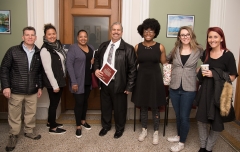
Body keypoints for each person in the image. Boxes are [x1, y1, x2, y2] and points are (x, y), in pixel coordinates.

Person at [195, 27, 238, 152]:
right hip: (205, 91)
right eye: (210, 37)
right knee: (201, 120)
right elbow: (204, 68)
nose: (212, 39)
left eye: (215, 37)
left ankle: (209, 148)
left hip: (220, 93)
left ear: (221, 38)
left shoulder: (228, 55)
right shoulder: (206, 54)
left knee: (217, 123)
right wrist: (200, 70)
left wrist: (214, 74)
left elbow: (233, 77)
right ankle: (203, 147)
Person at [0, 26, 42, 151]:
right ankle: (13, 135)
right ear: (22, 37)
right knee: (14, 115)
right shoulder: (13, 51)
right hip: (16, 89)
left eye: (32, 35)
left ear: (35, 37)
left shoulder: (38, 52)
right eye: (27, 35)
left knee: (31, 113)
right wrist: (6, 86)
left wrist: (40, 86)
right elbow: (4, 69)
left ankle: (29, 131)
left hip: (32, 90)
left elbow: (40, 72)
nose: (30, 37)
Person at [93, 22, 137, 139]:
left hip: (120, 84)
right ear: (110, 31)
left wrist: (129, 86)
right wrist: (96, 69)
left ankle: (119, 128)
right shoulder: (103, 46)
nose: (116, 32)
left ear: (122, 32)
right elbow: (96, 59)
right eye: (114, 29)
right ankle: (106, 126)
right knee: (105, 106)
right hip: (104, 82)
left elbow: (133, 69)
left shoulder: (128, 48)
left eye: (118, 30)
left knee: (119, 108)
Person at [166, 26, 203, 151]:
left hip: (189, 88)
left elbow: (211, 60)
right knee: (178, 114)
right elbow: (165, 59)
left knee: (184, 116)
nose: (185, 37)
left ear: (191, 35)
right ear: (179, 37)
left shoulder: (198, 50)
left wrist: (200, 69)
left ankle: (181, 143)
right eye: (182, 35)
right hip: (174, 87)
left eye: (187, 34)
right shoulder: (176, 49)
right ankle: (179, 135)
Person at [131, 18, 167, 145]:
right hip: (141, 80)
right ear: (142, 31)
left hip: (155, 80)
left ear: (155, 32)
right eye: (146, 30)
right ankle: (144, 130)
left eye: (151, 31)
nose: (148, 33)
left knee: (155, 106)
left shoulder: (160, 47)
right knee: (143, 106)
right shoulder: (137, 47)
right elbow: (133, 66)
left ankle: (156, 131)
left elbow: (165, 64)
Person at [66, 29, 94, 138]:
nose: (83, 38)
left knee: (85, 101)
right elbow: (69, 65)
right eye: (81, 37)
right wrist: (73, 81)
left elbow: (91, 61)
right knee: (79, 103)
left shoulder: (90, 47)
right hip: (77, 81)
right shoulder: (73, 48)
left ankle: (83, 120)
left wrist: (93, 62)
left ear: (87, 38)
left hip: (88, 80)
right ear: (77, 38)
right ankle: (78, 126)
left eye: (85, 36)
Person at [40, 23, 67, 134]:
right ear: (45, 36)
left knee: (54, 103)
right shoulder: (45, 50)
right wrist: (55, 85)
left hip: (60, 80)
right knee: (54, 104)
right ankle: (53, 128)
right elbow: (47, 70)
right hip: (54, 82)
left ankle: (50, 122)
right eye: (49, 34)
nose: (52, 36)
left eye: (53, 33)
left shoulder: (58, 46)